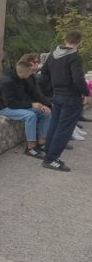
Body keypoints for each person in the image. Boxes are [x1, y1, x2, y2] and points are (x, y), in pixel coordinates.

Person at [41, 31, 91, 172]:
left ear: (65, 39)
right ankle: (51, 159)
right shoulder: (74, 57)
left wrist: (54, 87)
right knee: (64, 129)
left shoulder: (53, 54)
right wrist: (86, 93)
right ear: (79, 42)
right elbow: (78, 79)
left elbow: (44, 72)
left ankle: (49, 155)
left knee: (54, 125)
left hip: (57, 95)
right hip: (71, 97)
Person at [0, 60, 52, 158]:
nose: (32, 74)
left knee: (44, 112)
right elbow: (11, 103)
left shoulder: (22, 78)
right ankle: (31, 147)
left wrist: (41, 105)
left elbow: (27, 96)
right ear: (22, 72)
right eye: (30, 72)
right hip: (5, 108)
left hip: (18, 105)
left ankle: (42, 143)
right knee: (30, 116)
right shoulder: (7, 81)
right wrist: (31, 105)